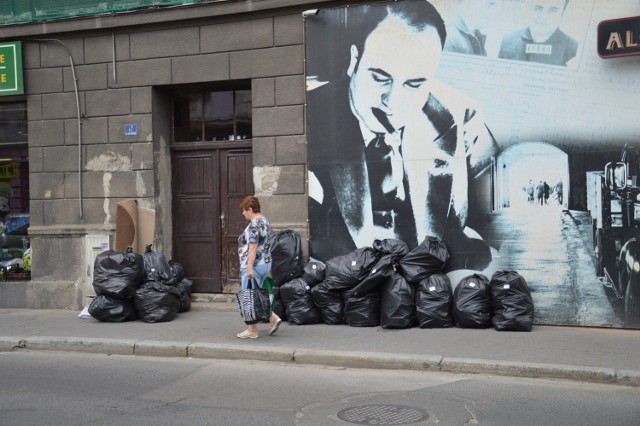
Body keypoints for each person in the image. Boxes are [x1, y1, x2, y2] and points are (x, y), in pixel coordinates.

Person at [307, 0, 498, 271]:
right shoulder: (307, 119)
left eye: (415, 84)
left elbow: (494, 230)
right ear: (353, 60)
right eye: (380, 78)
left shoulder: (461, 117)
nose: (394, 102)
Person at [236, 195, 281, 339]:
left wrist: (249, 268)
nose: (243, 213)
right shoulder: (265, 221)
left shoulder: (254, 224)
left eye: (244, 210)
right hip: (265, 263)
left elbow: (253, 248)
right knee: (256, 296)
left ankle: (254, 328)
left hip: (253, 266)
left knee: (249, 297)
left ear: (250, 209)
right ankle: (266, 320)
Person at [498, 0, 578, 66]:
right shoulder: (507, 41)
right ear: (528, 9)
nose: (544, 17)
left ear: (563, 14)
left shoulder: (573, 48)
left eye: (553, 11)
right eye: (538, 8)